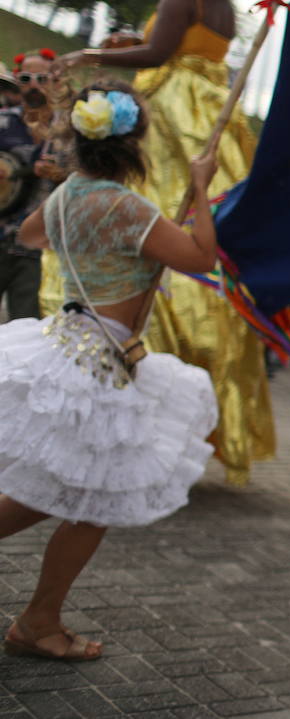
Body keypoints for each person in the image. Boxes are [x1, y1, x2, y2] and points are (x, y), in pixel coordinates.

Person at [0, 80, 219, 660]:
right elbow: (201, 258)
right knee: (87, 499)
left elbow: (30, 234)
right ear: (134, 144)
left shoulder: (70, 192)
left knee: (74, 494)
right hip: (95, 361)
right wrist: (200, 185)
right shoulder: (125, 206)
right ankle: (38, 621)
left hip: (67, 345)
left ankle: (40, 620)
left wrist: (98, 249)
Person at [51, 0, 269, 485]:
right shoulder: (222, 6)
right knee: (196, 229)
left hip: (170, 110)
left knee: (142, 224)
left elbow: (156, 55)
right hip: (212, 117)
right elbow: (170, 47)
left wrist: (88, 57)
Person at [0, 51, 67, 322]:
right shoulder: (4, 121)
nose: (35, 85)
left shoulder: (70, 128)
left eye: (43, 78)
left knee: (24, 328)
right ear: (18, 80)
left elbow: (87, 179)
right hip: (1, 234)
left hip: (39, 250)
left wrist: (61, 175)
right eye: (27, 78)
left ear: (56, 81)